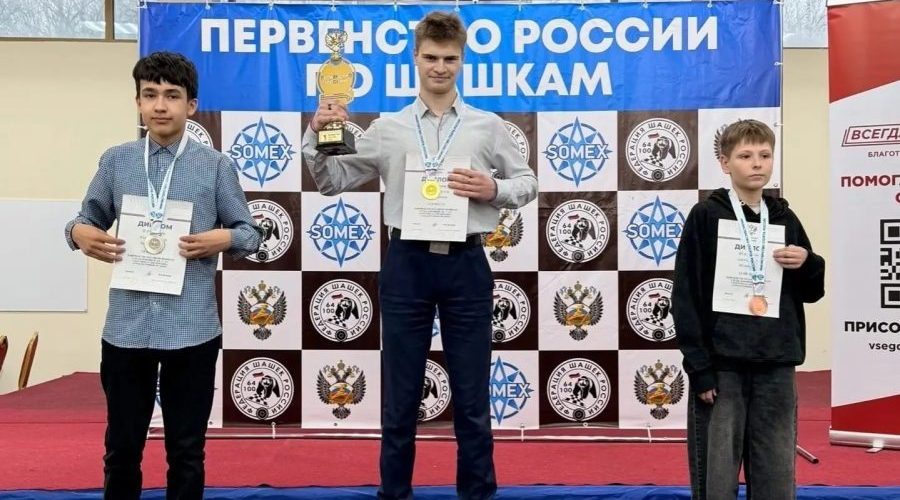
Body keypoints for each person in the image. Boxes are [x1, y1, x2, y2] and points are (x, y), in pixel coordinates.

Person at [302, 11, 537, 500]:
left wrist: (494, 189)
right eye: (431, 57)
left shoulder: (487, 126)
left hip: (466, 263)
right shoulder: (387, 128)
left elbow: (527, 182)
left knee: (472, 397)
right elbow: (331, 181)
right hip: (406, 262)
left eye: (449, 59)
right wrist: (316, 135)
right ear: (415, 57)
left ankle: (477, 493)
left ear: (462, 60)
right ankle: (394, 493)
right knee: (401, 396)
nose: (440, 67)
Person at [64, 51, 262, 500]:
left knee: (187, 451)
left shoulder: (216, 166)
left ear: (191, 105)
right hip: (126, 329)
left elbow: (250, 233)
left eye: (172, 95)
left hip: (192, 329)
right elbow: (85, 220)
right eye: (149, 94)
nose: (159, 105)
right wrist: (78, 233)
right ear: (137, 102)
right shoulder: (116, 161)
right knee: (121, 450)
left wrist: (223, 238)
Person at [672, 119, 825, 499]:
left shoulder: (785, 218)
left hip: (776, 361)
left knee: (776, 471)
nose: (757, 163)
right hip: (722, 366)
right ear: (725, 163)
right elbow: (686, 295)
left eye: (765, 155)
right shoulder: (706, 216)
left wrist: (807, 262)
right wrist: (699, 367)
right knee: (716, 474)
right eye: (745, 156)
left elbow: (812, 292)